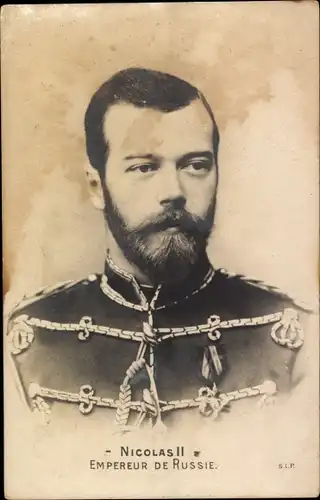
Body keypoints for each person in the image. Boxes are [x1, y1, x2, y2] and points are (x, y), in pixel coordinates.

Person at [6, 68, 306, 434]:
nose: (174, 191)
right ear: (96, 187)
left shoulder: (294, 339)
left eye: (196, 165)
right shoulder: (25, 346)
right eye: (144, 167)